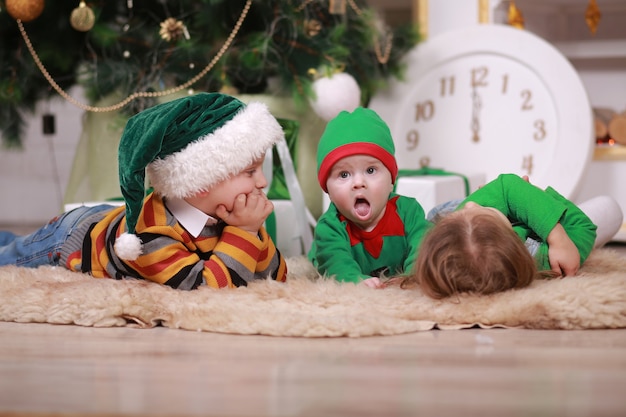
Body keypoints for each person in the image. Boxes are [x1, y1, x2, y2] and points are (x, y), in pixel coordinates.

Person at [0, 93, 288, 290]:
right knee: (14, 256)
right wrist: (245, 234)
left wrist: (251, 229)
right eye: (250, 172)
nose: (262, 182)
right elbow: (207, 290)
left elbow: (273, 277)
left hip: (110, 218)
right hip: (72, 236)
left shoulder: (226, 215)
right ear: (201, 182)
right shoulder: (152, 234)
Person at [400, 173, 623, 299]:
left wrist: (516, 201)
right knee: (609, 208)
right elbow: (583, 226)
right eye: (486, 211)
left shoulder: (441, 239)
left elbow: (507, 188)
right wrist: (554, 230)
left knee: (436, 215)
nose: (471, 203)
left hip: (445, 217)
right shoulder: (542, 258)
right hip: (548, 222)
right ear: (512, 236)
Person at [308, 107, 432, 288]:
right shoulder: (330, 227)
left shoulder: (409, 212)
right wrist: (355, 280)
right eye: (344, 175)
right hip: (327, 253)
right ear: (327, 189)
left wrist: (413, 275)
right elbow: (336, 263)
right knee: (322, 256)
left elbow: (423, 245)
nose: (358, 182)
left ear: (391, 180)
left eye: (370, 170)